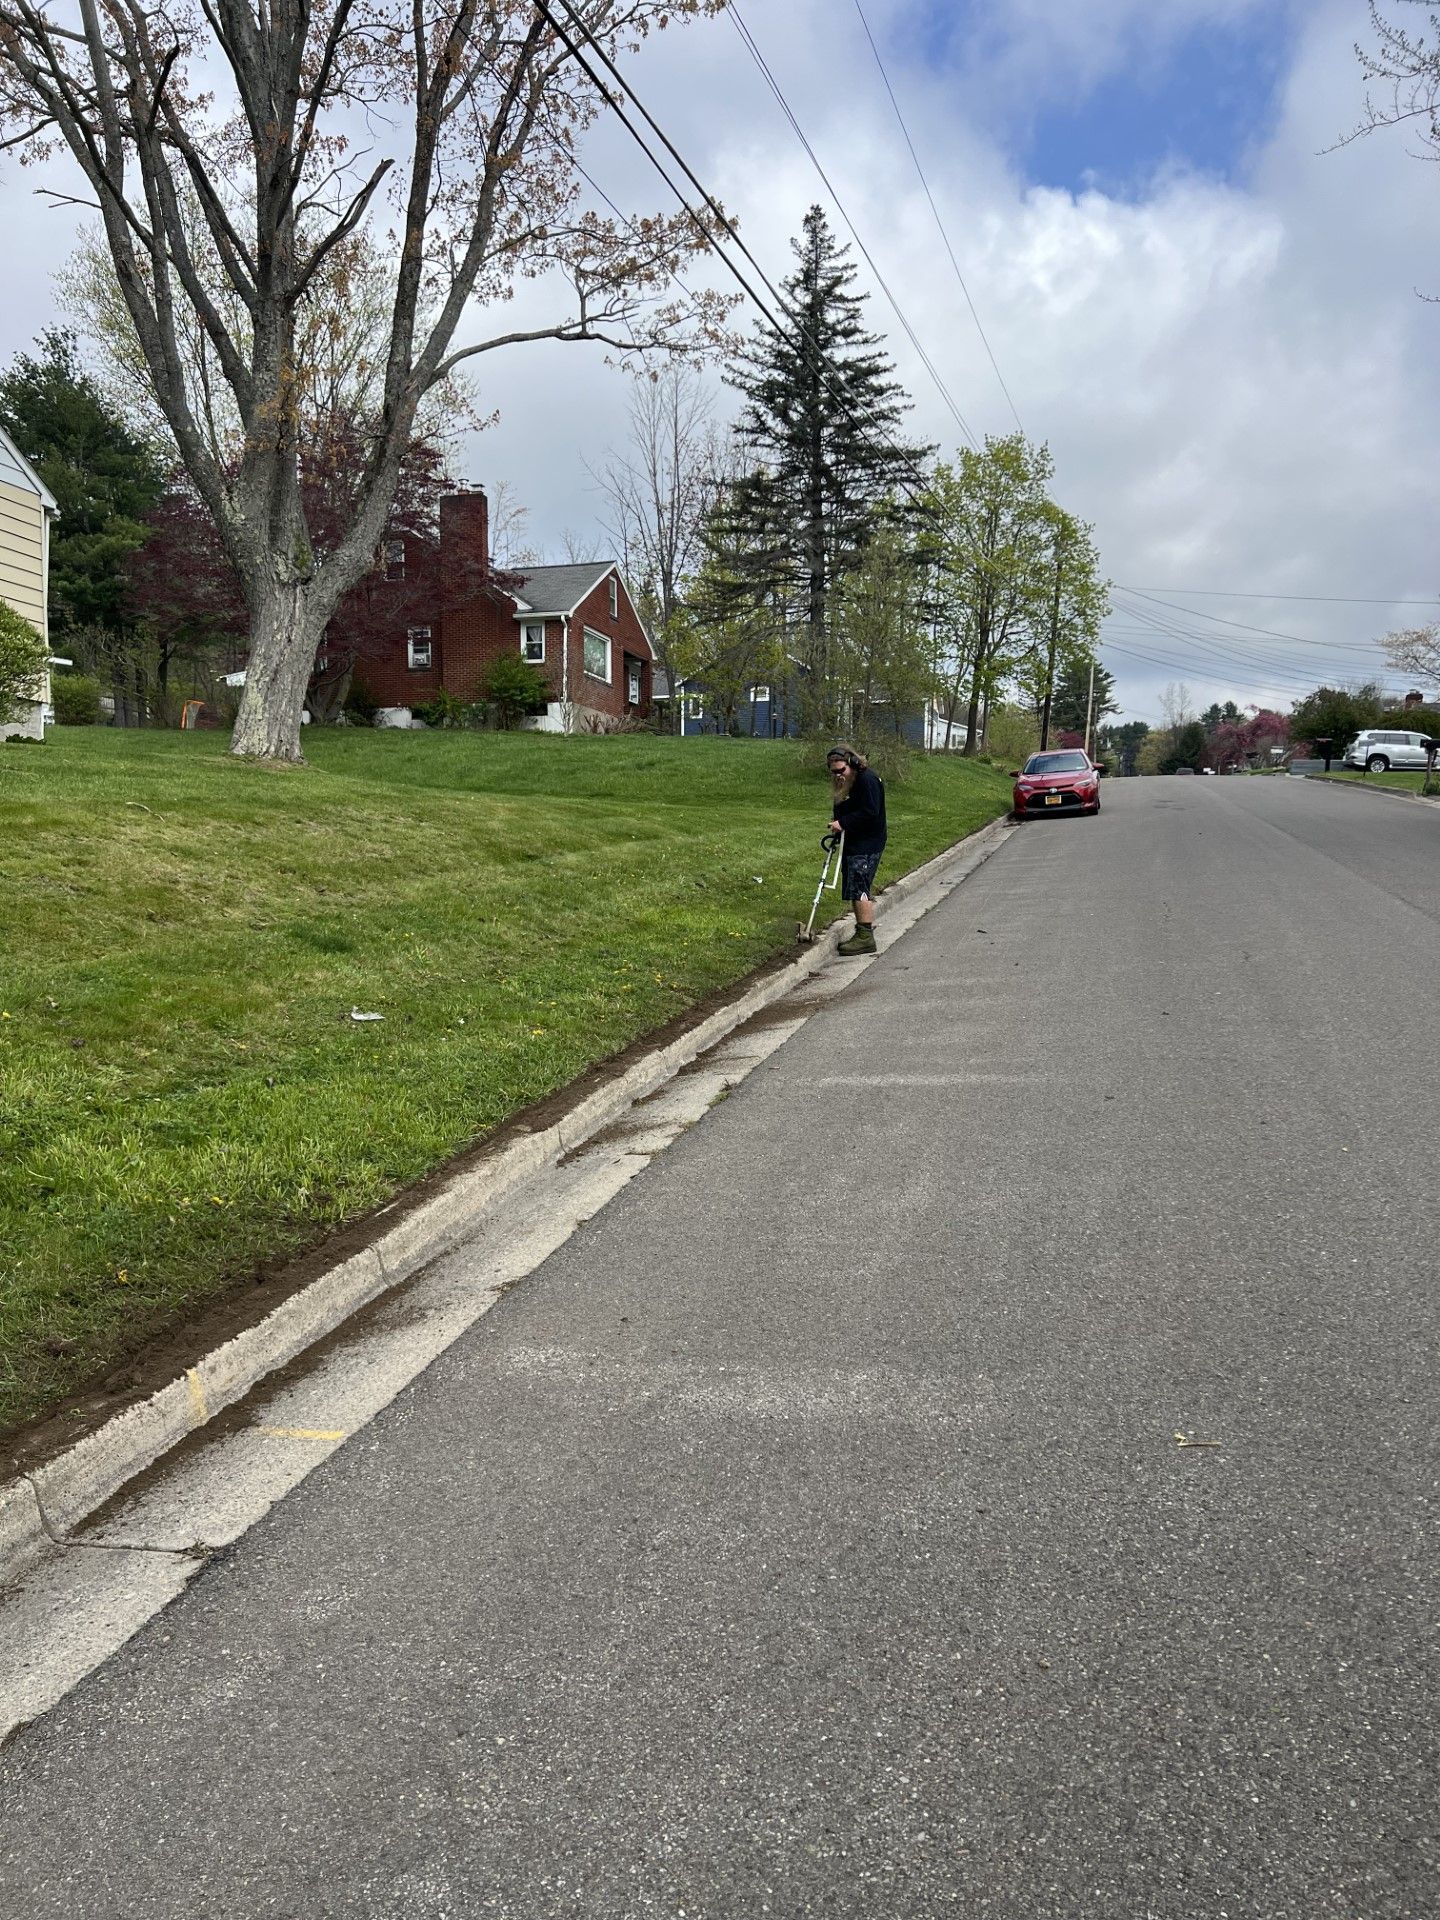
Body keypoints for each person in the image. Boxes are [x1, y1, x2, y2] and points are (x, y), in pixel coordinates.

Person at [826, 744, 886, 955]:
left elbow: (871, 811)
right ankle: (862, 932)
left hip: (868, 842)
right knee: (854, 885)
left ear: (852, 763)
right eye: (833, 771)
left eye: (841, 770)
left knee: (859, 886)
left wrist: (843, 823)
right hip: (854, 839)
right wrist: (838, 823)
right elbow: (844, 807)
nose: (837, 775)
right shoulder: (847, 781)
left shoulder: (867, 780)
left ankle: (865, 936)